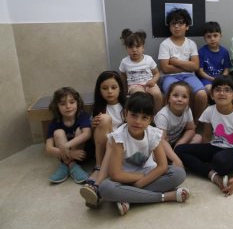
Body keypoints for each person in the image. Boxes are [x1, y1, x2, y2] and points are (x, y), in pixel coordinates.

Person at [96, 92, 190, 216]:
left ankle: (128, 197)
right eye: (133, 115)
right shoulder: (119, 137)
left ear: (150, 119)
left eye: (144, 117)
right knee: (106, 188)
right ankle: (165, 197)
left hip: (147, 174)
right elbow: (115, 174)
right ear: (125, 114)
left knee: (179, 173)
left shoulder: (153, 133)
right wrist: (139, 178)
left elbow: (162, 166)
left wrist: (140, 183)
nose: (138, 121)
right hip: (124, 178)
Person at [175, 76, 233, 196]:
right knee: (179, 150)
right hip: (215, 146)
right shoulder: (210, 110)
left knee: (220, 161)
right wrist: (202, 155)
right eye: (218, 90)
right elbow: (207, 137)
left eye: (227, 90)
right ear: (212, 95)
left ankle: (205, 167)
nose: (222, 93)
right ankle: (213, 176)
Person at [79, 71, 126, 208]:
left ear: (120, 88)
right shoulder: (98, 108)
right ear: (99, 90)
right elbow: (97, 136)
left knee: (106, 120)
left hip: (123, 145)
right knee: (103, 118)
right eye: (104, 88)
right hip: (106, 146)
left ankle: (100, 186)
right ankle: (99, 167)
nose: (109, 92)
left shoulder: (127, 105)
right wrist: (94, 126)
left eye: (113, 87)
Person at [158, 8, 208, 122]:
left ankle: (194, 122)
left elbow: (195, 66)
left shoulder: (191, 44)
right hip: (169, 77)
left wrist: (175, 61)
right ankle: (173, 123)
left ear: (187, 26)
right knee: (174, 95)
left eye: (180, 23)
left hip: (190, 76)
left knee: (202, 94)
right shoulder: (165, 44)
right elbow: (165, 69)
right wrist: (187, 65)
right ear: (169, 27)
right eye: (173, 23)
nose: (176, 26)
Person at [45, 87, 91, 184]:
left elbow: (87, 134)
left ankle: (66, 165)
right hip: (68, 155)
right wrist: (70, 154)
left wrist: (67, 145)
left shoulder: (82, 116)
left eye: (72, 102)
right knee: (58, 133)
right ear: (57, 106)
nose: (68, 106)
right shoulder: (55, 122)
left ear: (77, 103)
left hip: (81, 154)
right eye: (62, 104)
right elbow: (48, 148)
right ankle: (71, 165)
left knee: (80, 130)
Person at [154, 81, 202, 168]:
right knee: (155, 156)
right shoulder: (163, 115)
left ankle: (176, 156)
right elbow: (161, 141)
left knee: (198, 137)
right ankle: (176, 159)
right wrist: (176, 159)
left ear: (188, 100)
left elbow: (191, 129)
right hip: (161, 144)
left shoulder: (187, 110)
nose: (180, 99)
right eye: (175, 95)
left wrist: (180, 144)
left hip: (175, 142)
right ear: (168, 98)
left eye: (184, 97)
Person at [119, 29, 163, 112]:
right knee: (140, 97)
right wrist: (125, 90)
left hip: (149, 84)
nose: (134, 50)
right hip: (134, 86)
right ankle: (144, 116)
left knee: (157, 94)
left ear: (143, 48)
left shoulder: (148, 59)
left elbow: (157, 73)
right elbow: (123, 76)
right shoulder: (124, 62)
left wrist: (153, 80)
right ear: (126, 48)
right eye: (130, 47)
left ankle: (158, 115)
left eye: (137, 46)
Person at [197, 21, 232, 95]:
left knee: (227, 90)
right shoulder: (201, 52)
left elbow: (227, 69)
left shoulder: (225, 52)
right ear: (204, 38)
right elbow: (200, 71)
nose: (212, 39)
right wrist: (212, 79)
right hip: (207, 79)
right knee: (209, 89)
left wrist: (221, 78)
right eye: (209, 36)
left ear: (220, 36)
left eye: (215, 35)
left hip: (222, 79)